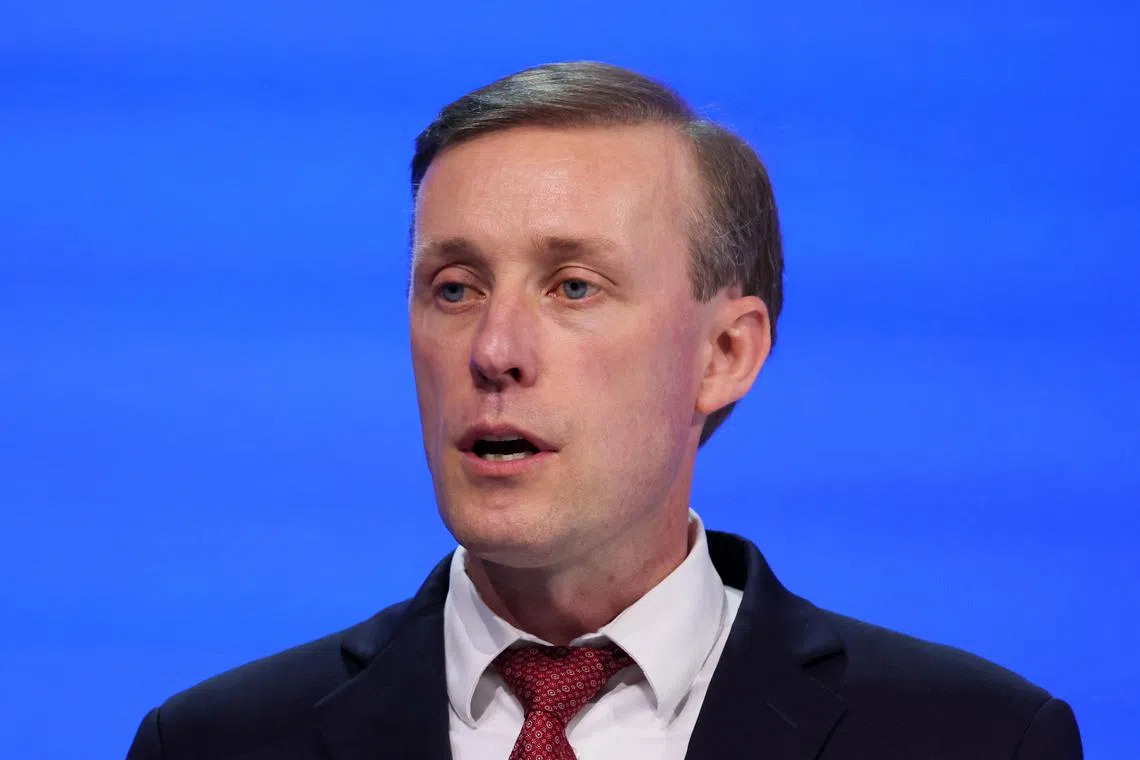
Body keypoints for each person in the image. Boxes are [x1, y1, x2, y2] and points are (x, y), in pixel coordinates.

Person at [126, 61, 1082, 760]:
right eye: (454, 288)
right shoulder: (214, 744)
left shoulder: (975, 740)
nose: (494, 351)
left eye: (573, 287)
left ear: (725, 353)